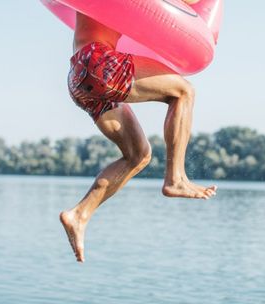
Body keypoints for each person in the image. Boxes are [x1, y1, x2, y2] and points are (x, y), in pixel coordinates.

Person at [60, 5, 217, 262]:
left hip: (79, 75)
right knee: (184, 92)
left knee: (138, 155)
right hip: (99, 62)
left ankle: (78, 214)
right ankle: (175, 178)